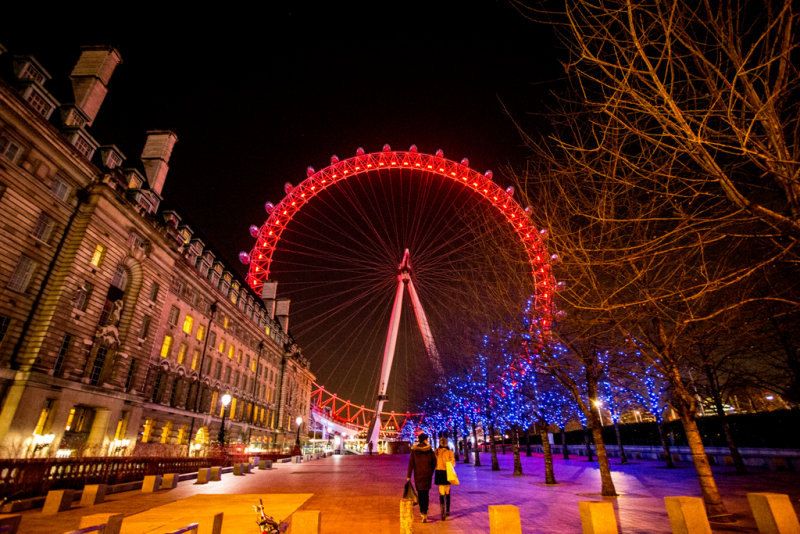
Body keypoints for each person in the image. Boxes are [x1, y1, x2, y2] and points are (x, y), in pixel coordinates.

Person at [407, 433, 436, 522]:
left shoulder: (414, 451)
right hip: (427, 475)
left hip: (418, 475)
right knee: (426, 494)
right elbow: (434, 462)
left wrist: (408, 476)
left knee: (420, 494)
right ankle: (425, 512)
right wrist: (430, 471)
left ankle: (422, 512)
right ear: (424, 440)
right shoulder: (429, 450)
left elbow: (411, 464)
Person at [434, 436, 455, 520]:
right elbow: (453, 463)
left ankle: (443, 512)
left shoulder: (436, 452)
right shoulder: (449, 452)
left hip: (439, 472)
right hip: (447, 472)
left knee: (442, 493)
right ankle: (446, 511)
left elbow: (434, 462)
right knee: (447, 492)